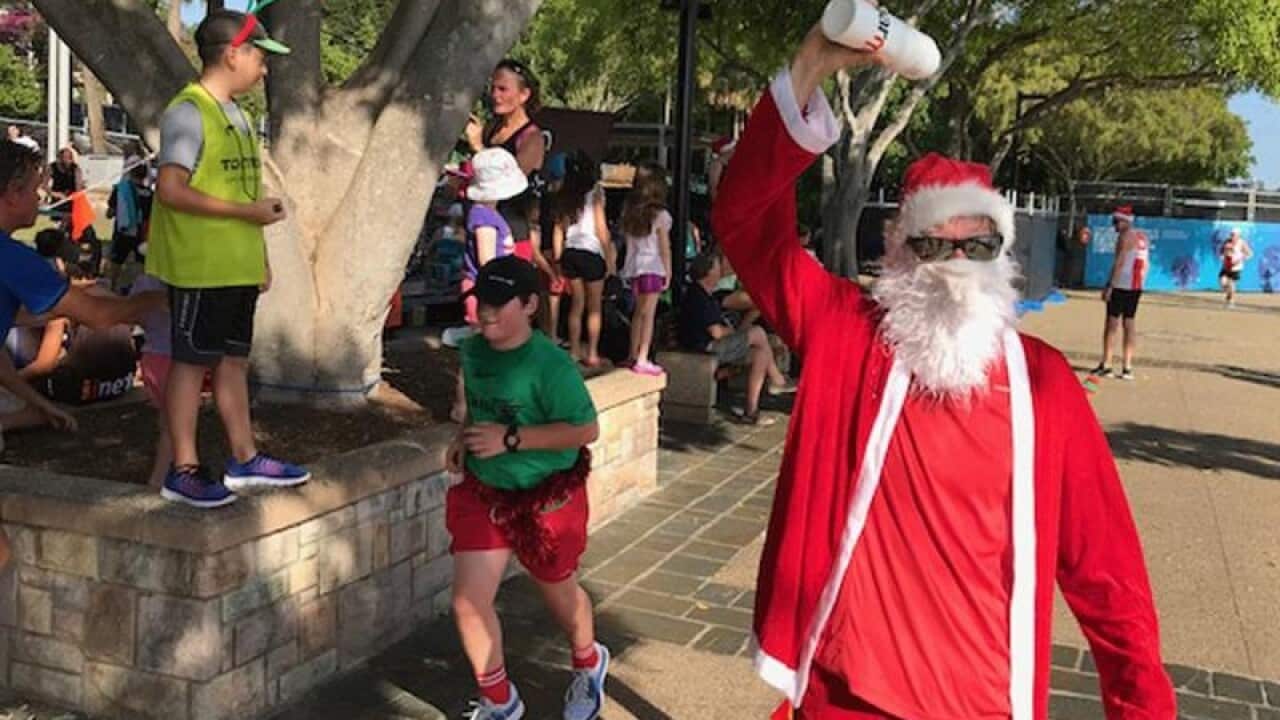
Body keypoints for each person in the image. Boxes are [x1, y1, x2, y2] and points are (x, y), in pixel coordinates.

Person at [711, 27, 1174, 719]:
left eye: (976, 245)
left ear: (1002, 253)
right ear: (897, 249)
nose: (955, 265)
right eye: (932, 244)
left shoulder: (1044, 386)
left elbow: (1107, 571)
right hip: (843, 696)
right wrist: (809, 66)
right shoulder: (848, 335)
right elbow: (747, 220)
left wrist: (1143, 706)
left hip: (982, 703)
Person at [146, 9, 307, 508]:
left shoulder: (236, 115)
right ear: (234, 54)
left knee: (233, 360)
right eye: (260, 57)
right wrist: (246, 214)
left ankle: (244, 457)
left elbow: (241, 190)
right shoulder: (188, 112)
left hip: (235, 266)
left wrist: (259, 255)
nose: (265, 68)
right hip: (200, 267)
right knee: (190, 364)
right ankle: (183, 469)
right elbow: (171, 189)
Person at [445, 256, 608, 720]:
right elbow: (477, 409)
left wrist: (511, 440)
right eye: (482, 302)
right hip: (486, 491)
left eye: (499, 304)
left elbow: (586, 430)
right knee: (468, 602)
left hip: (547, 498)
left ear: (531, 305)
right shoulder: (473, 351)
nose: (486, 313)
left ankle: (588, 661)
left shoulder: (551, 365)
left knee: (560, 596)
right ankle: (501, 703)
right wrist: (463, 439)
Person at [1, 141, 162, 448]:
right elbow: (98, 316)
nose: (41, 197)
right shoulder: (13, 258)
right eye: (35, 189)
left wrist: (40, 404)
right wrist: (161, 299)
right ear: (12, 194)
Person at [677, 253, 793, 425]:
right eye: (717, 267)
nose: (721, 271)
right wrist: (734, 332)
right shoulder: (698, 296)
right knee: (758, 332)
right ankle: (777, 380)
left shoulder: (706, 294)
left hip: (712, 344)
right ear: (709, 272)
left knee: (760, 354)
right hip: (706, 347)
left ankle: (751, 411)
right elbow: (716, 332)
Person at [444, 148, 529, 349]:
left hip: (491, 288)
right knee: (484, 343)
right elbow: (487, 260)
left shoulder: (487, 213)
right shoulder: (484, 217)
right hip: (487, 290)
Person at [465, 58, 546, 264]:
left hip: (511, 234)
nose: (495, 95)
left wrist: (478, 148)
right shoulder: (491, 129)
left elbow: (510, 182)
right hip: (481, 227)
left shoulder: (531, 137)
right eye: (493, 88)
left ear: (524, 95)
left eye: (503, 89)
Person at [553, 152, 613, 368]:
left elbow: (558, 230)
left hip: (570, 252)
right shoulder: (594, 194)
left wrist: (558, 259)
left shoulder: (564, 196)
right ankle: (593, 353)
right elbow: (601, 229)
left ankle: (575, 350)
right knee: (594, 307)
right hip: (591, 251)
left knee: (576, 304)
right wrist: (610, 257)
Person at [619, 164, 671, 375]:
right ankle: (643, 356)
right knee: (649, 314)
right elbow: (664, 248)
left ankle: (632, 354)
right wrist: (668, 271)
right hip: (653, 267)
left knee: (637, 313)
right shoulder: (660, 215)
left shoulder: (630, 213)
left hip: (635, 268)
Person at [1092, 205, 1149, 380]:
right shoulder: (1142, 237)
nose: (1114, 225)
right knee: (1129, 323)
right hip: (1136, 286)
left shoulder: (1124, 237)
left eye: (1116, 221)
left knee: (1111, 324)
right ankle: (1127, 366)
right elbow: (1146, 264)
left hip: (1121, 285)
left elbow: (1119, 262)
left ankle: (1107, 364)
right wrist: (1141, 283)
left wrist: (1110, 285)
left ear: (1125, 221)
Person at [106, 160, 155, 290]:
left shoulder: (120, 190)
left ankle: (112, 287)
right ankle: (139, 288)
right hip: (141, 233)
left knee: (116, 261)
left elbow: (110, 213)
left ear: (130, 172)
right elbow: (150, 216)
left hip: (123, 232)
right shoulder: (150, 194)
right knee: (141, 262)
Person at [1219, 227, 1253, 308]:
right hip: (1226, 266)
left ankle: (1231, 301)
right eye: (1231, 234)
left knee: (1231, 284)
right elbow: (1221, 251)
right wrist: (1222, 256)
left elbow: (1250, 254)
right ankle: (1229, 295)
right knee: (1223, 282)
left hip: (1236, 267)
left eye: (1234, 235)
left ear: (1238, 235)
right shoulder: (1226, 242)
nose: (1232, 236)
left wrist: (1241, 259)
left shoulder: (1242, 243)